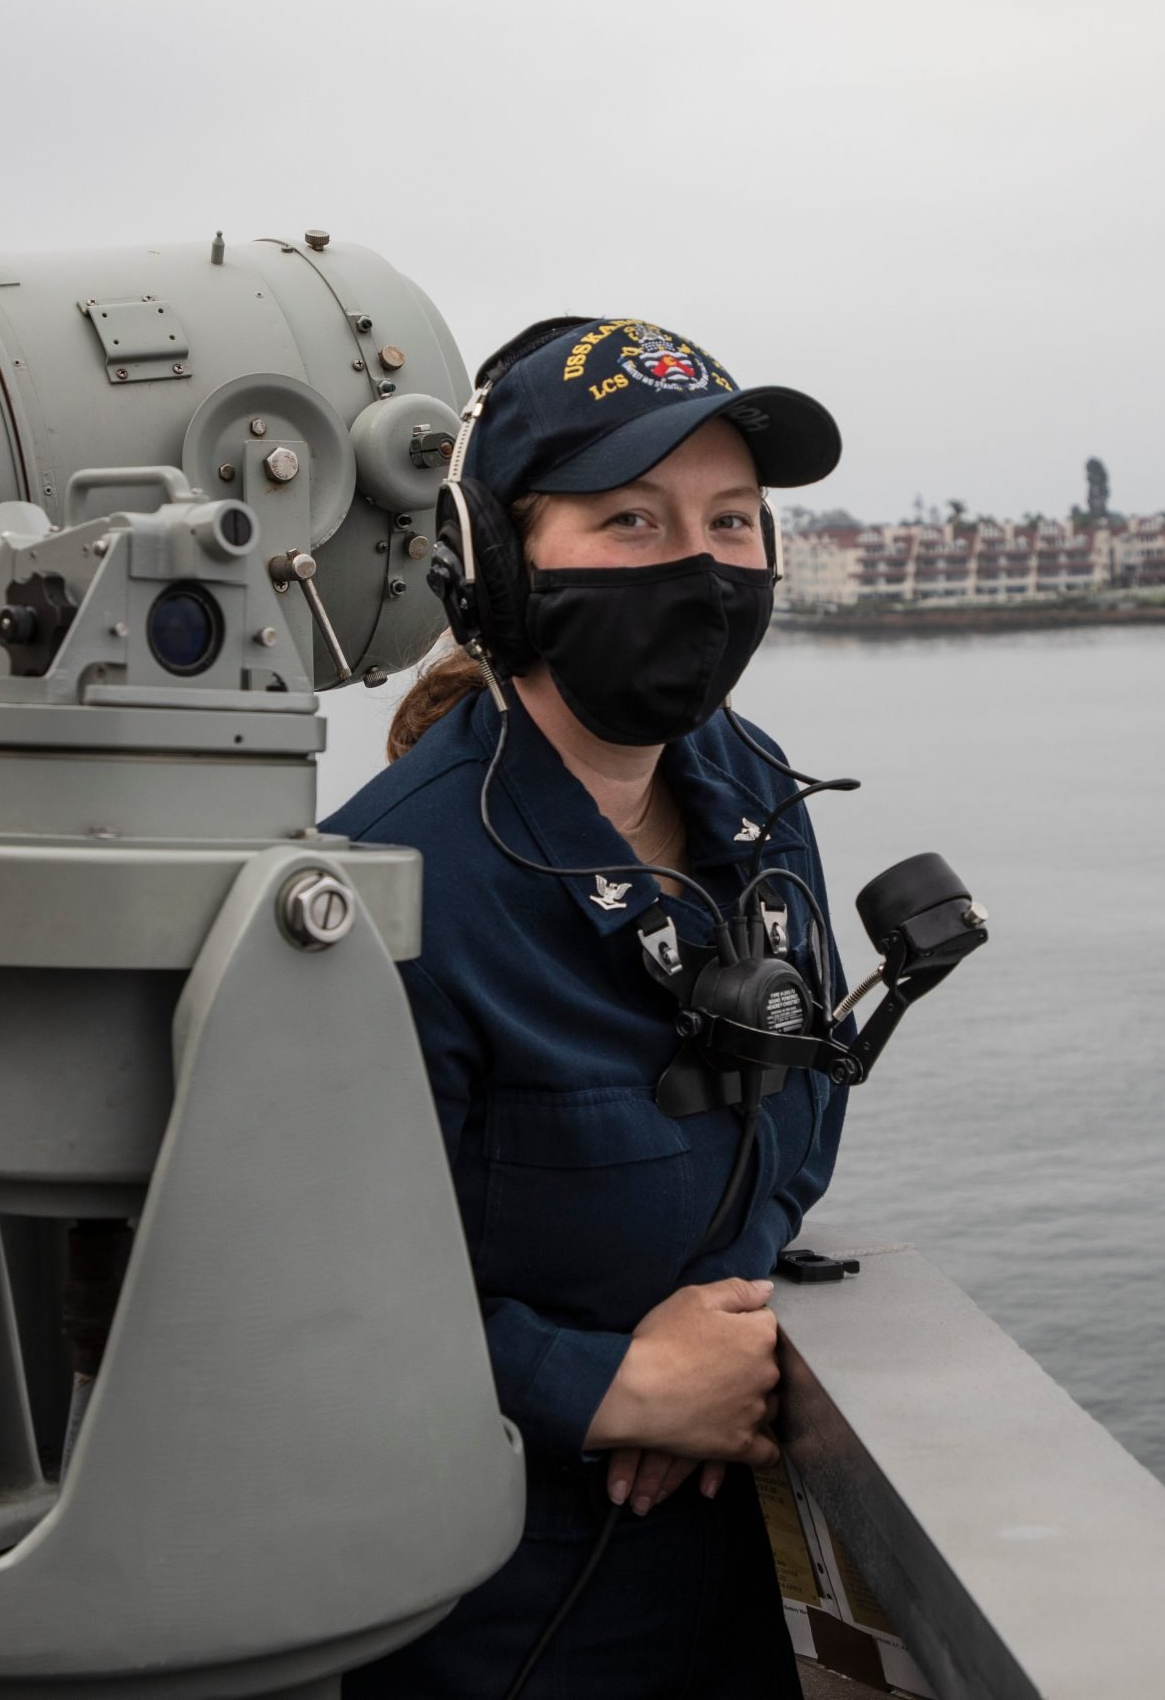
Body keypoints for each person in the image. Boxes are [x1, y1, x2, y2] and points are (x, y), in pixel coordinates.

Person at [326, 317, 849, 1699]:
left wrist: (706, 1336)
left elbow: (805, 1100)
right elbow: (307, 1290)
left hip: (721, 1554)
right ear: (498, 561)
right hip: (483, 1594)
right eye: (631, 518)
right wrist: (604, 1387)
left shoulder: (751, 784)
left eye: (733, 520)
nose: (702, 562)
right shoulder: (386, 889)